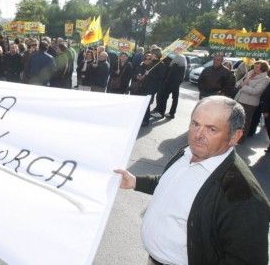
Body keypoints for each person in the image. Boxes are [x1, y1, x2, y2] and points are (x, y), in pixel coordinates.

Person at [115, 96, 269, 265]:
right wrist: (135, 181)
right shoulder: (187, 152)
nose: (198, 135)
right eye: (195, 124)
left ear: (235, 136)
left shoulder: (244, 195)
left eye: (212, 129)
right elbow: (171, 182)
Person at [234, 60, 270, 142]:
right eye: (255, 66)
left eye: (257, 67)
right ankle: (233, 136)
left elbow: (256, 91)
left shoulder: (265, 79)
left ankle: (240, 139)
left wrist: (243, 86)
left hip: (249, 104)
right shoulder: (250, 73)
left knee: (245, 121)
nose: (254, 68)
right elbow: (238, 83)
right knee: (236, 119)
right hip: (239, 99)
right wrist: (241, 84)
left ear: (263, 69)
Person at [151, 53, 186, 119]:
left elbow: (169, 75)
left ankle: (161, 113)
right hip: (176, 85)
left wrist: (165, 82)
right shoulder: (183, 65)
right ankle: (172, 113)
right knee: (175, 99)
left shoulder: (174, 65)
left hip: (169, 84)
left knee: (163, 98)